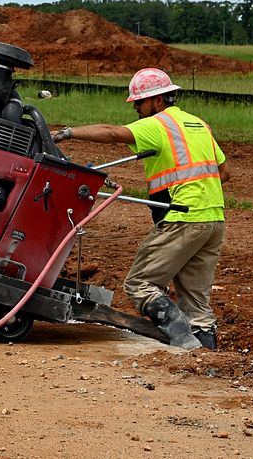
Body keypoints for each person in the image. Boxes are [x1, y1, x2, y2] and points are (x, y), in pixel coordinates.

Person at [51, 68, 230, 350]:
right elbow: (224, 172)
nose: (136, 107)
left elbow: (112, 133)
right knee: (196, 300)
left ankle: (184, 341)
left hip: (182, 217)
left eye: (139, 102)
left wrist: (68, 133)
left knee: (140, 284)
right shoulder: (199, 125)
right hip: (213, 220)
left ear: (158, 101)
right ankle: (208, 356)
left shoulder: (158, 124)